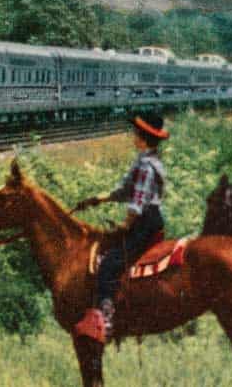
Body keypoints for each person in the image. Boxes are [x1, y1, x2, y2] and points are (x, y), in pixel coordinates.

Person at [72, 112, 168, 340]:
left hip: (146, 221)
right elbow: (124, 191)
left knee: (109, 264)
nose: (132, 137)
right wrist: (98, 198)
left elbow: (137, 202)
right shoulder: (145, 161)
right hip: (148, 218)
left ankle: (106, 321)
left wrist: (125, 225)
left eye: (135, 134)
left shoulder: (146, 167)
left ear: (143, 138)